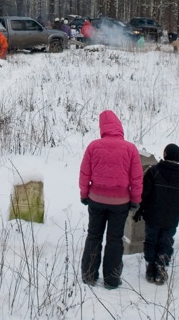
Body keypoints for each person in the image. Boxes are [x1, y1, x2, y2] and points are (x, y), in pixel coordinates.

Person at [79, 110, 143, 289]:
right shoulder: (130, 148)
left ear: (102, 127)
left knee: (94, 236)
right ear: (119, 126)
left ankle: (89, 275)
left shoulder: (93, 146)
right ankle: (112, 279)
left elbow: (85, 174)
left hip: (96, 200)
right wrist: (135, 199)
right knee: (115, 240)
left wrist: (84, 194)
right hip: (120, 202)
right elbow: (137, 178)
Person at [133, 143, 179, 285]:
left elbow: (144, 194)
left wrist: (141, 210)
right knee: (166, 242)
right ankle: (161, 267)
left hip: (152, 215)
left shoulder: (154, 172)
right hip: (171, 219)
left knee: (151, 241)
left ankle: (150, 267)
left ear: (165, 155)